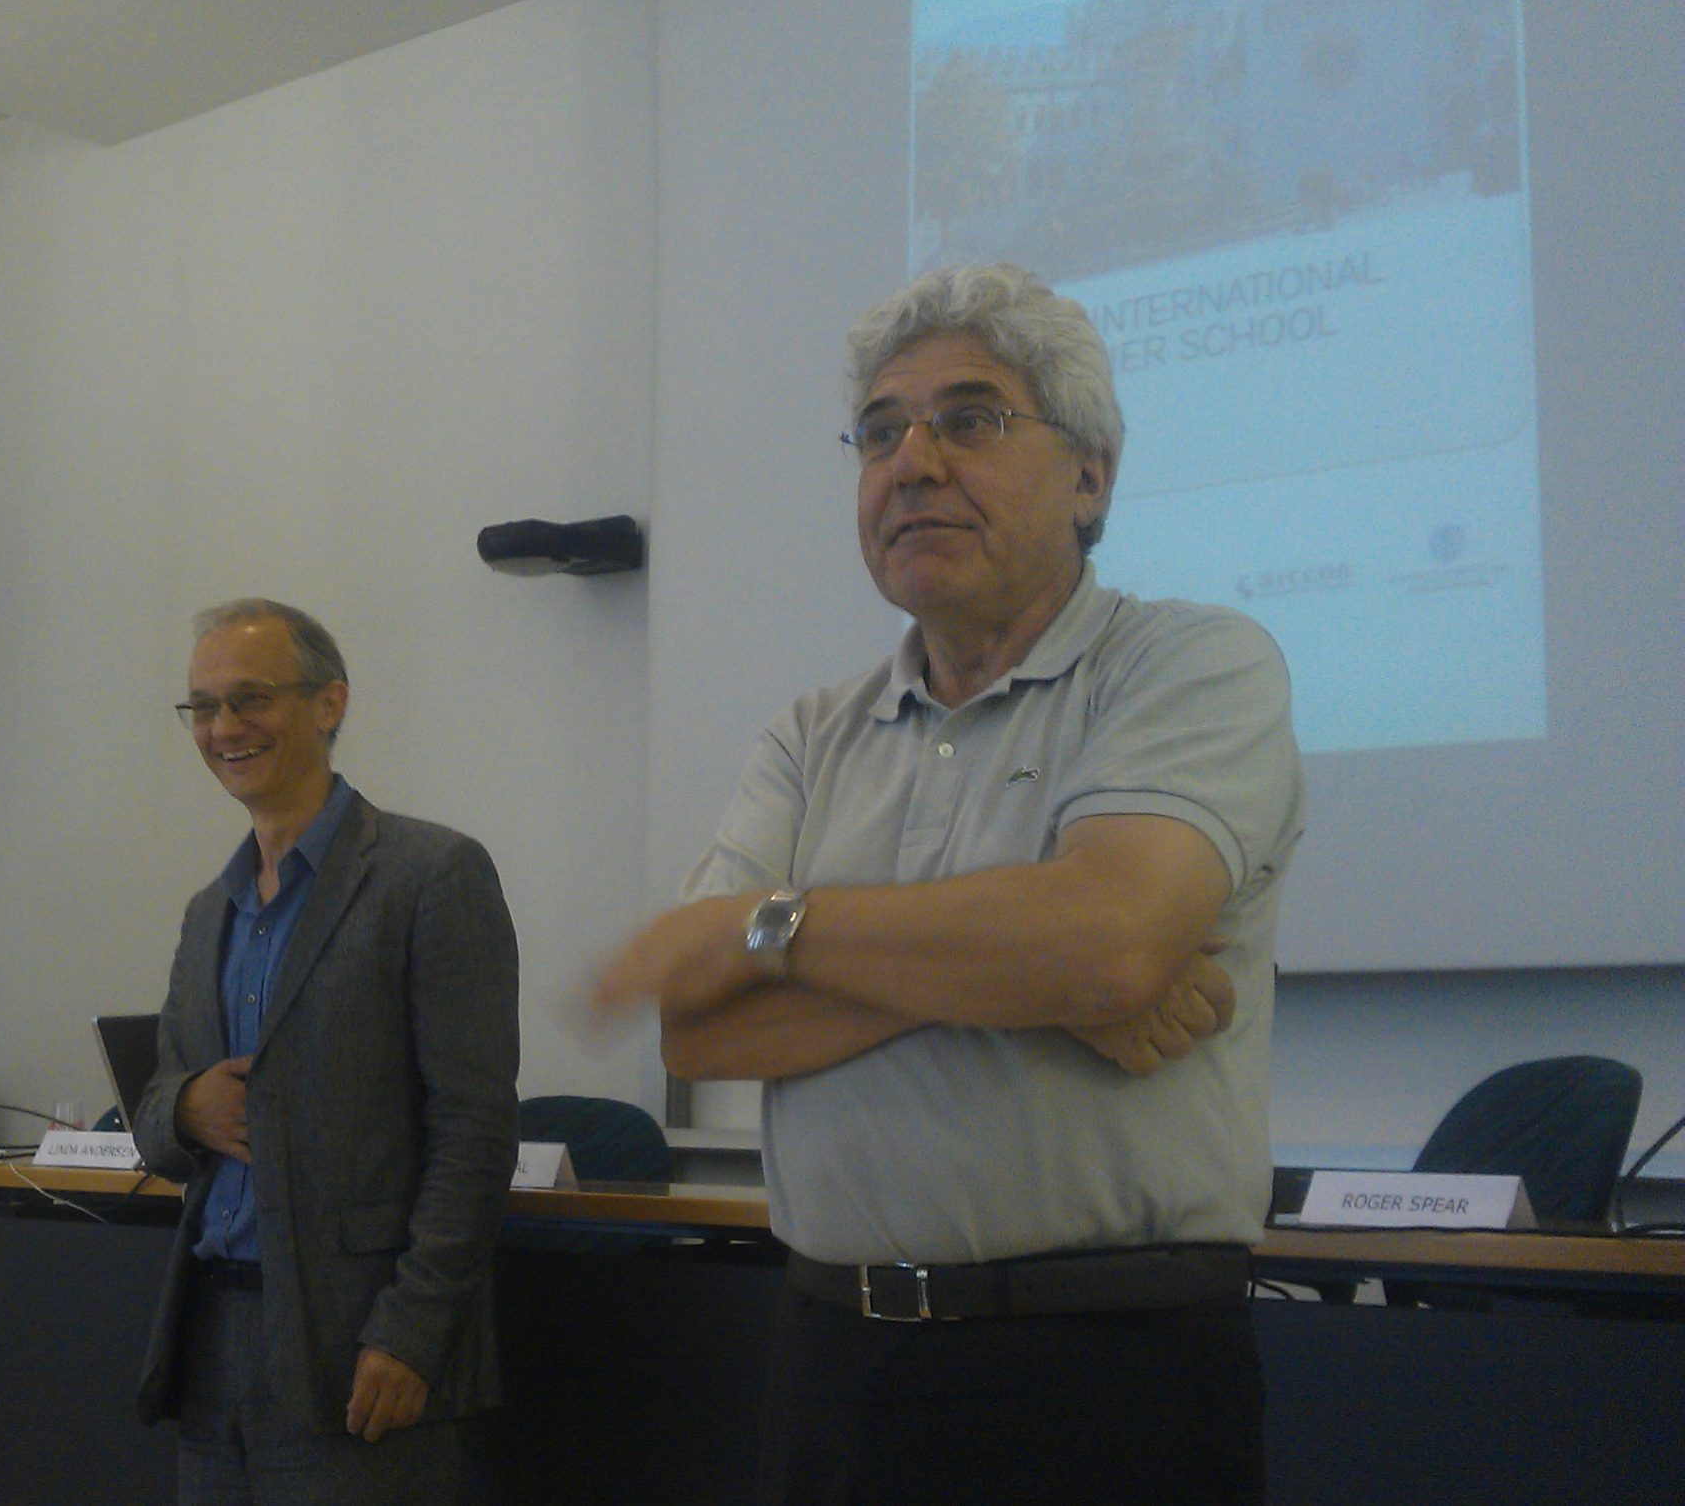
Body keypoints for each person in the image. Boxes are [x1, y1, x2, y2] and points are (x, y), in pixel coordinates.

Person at [597, 264, 1304, 1505]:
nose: (912, 462)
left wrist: (776, 930)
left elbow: (1104, 941)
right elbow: (695, 1020)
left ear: (1090, 475)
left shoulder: (1191, 662)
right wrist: (1022, 975)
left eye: (969, 419)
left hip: (1105, 1373)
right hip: (834, 1361)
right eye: (879, 432)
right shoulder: (810, 734)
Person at [132, 599, 520, 1505]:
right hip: (208, 1340)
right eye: (204, 706)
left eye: (250, 698)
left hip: (361, 1346)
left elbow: (474, 1133)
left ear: (329, 702)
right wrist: (185, 1107)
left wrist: (413, 1331)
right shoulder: (209, 911)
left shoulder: (432, 875)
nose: (224, 727)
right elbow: (153, 1114)